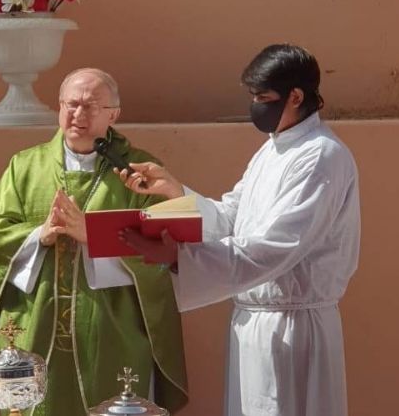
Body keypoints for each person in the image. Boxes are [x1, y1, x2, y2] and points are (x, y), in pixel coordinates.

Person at [118, 45, 361, 416]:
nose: (256, 107)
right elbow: (233, 218)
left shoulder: (321, 156)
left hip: (293, 328)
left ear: (296, 96)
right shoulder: (273, 149)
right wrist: (175, 191)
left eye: (264, 98)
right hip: (253, 323)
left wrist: (181, 257)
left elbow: (277, 246)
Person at [0, 68, 188, 416]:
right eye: (71, 104)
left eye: (91, 106)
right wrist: (37, 236)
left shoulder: (139, 172)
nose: (78, 115)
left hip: (112, 330)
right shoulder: (25, 166)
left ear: (113, 114)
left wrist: (94, 236)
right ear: (59, 106)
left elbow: (167, 244)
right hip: (38, 325)